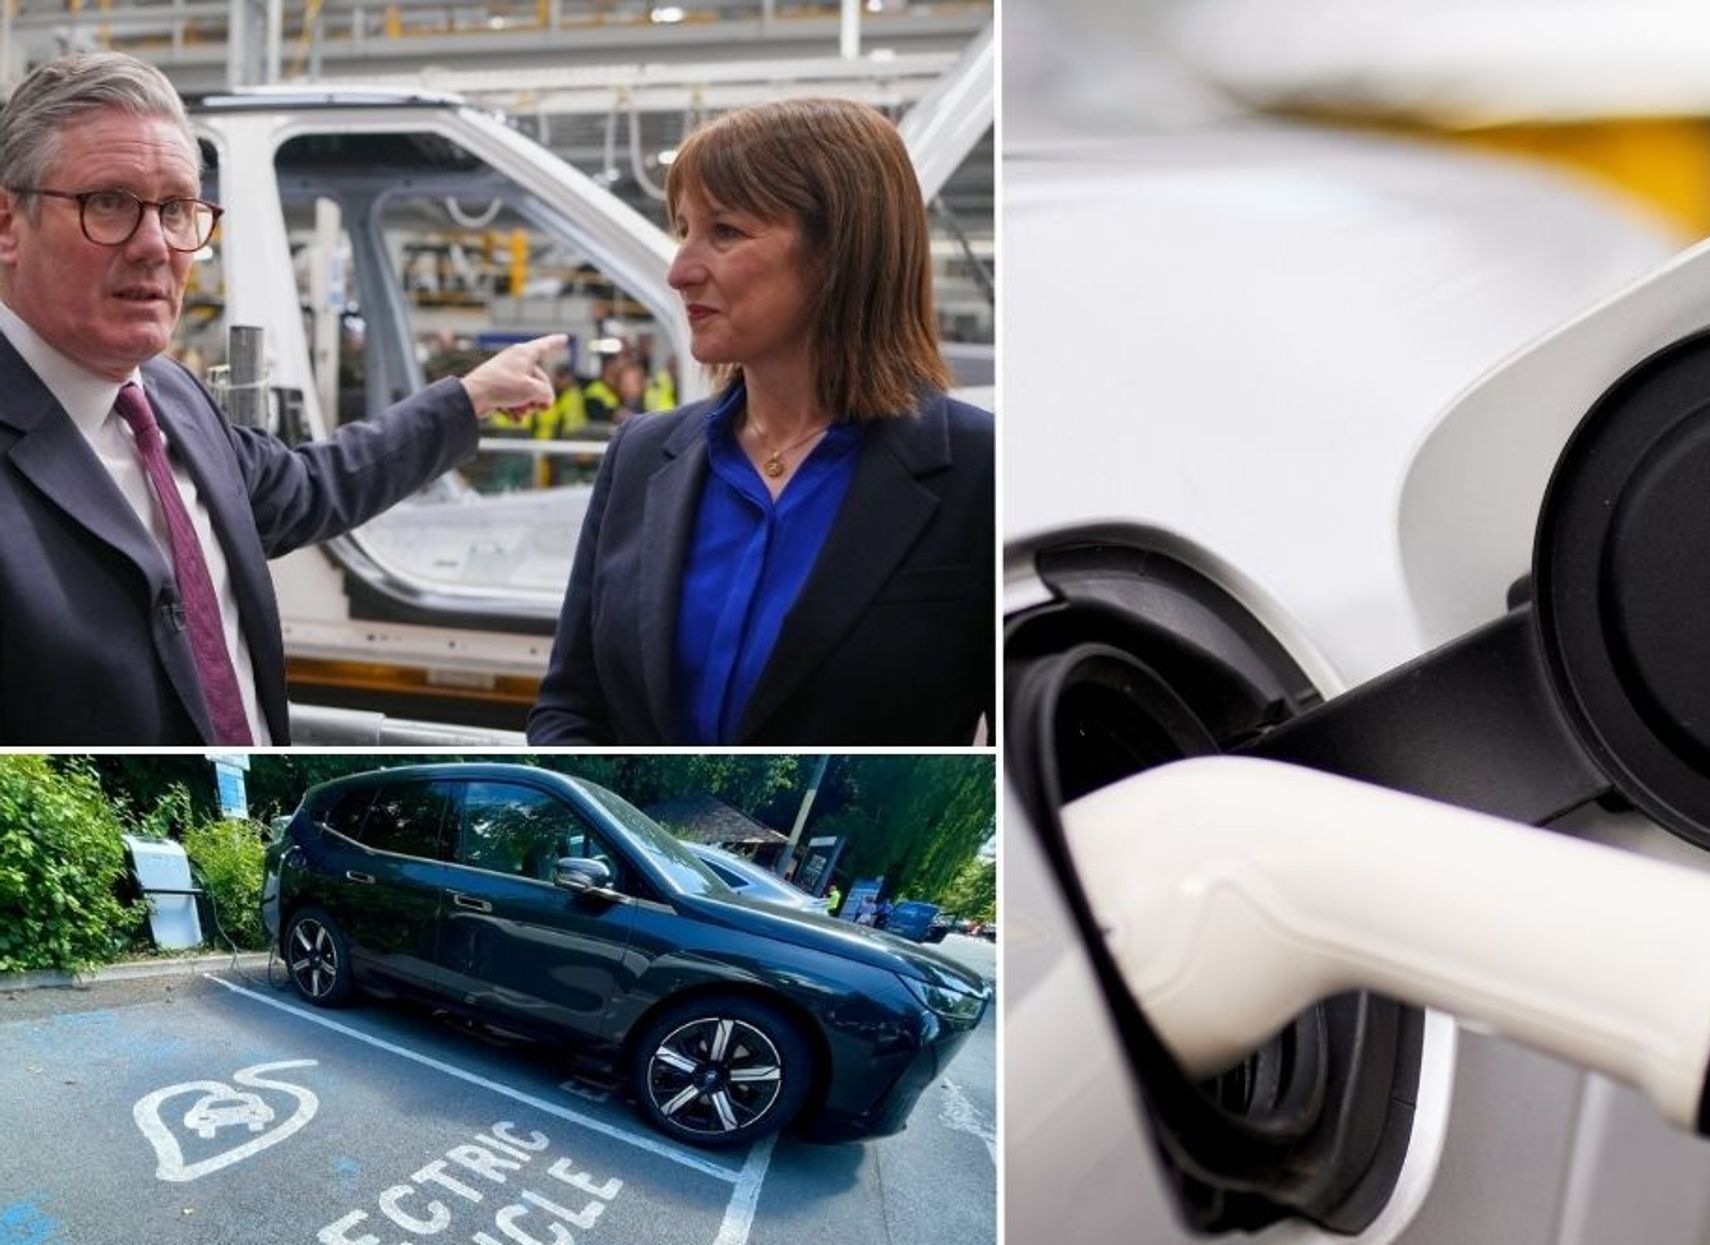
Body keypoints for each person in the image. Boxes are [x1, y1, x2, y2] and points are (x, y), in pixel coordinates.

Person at [0, 52, 562, 746]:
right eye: (108, 203)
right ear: (8, 224)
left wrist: (468, 399)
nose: (155, 246)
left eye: (176, 209)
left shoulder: (173, 399)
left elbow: (307, 486)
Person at [527, 97, 994, 746]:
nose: (680, 271)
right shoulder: (640, 456)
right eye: (683, 230)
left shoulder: (981, 473)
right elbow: (570, 709)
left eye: (724, 232)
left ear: (841, 251)